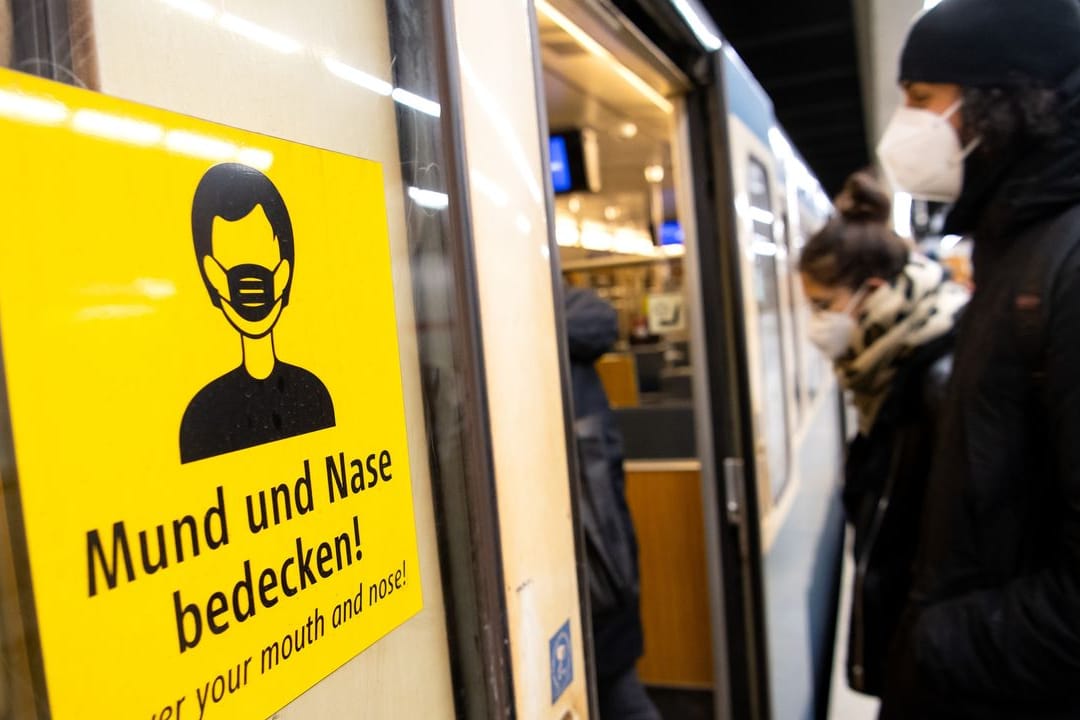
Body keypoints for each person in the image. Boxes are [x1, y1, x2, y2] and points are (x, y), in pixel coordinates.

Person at [873, 1, 1080, 717]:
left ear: (1000, 103)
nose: (905, 128)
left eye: (922, 100)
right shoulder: (1015, 245)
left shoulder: (1064, 261)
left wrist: (941, 644)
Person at [798, 172, 968, 698]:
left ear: (872, 292)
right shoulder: (885, 366)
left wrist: (933, 646)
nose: (817, 324)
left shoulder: (939, 377)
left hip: (940, 660)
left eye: (824, 305)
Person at [181, 163, 335, 463]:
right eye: (232, 271)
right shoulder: (203, 416)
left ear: (285, 270)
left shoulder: (313, 396)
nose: (251, 288)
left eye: (265, 268)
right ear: (210, 275)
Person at [564, 285, 659, 720]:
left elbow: (599, 320)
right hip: (587, 567)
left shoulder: (565, 320)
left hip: (599, 570)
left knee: (620, 694)